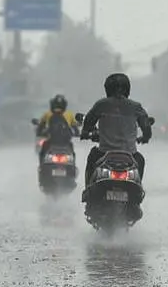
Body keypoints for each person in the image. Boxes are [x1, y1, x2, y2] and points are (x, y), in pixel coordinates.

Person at [80, 73, 152, 202]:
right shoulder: (136, 107)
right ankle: (136, 196)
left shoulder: (101, 105)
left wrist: (85, 133)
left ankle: (88, 192)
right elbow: (146, 126)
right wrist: (145, 137)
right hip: (130, 155)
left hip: (103, 153)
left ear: (107, 88)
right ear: (128, 88)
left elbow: (88, 122)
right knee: (140, 160)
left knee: (92, 158)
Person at [36, 94, 78, 163]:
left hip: (52, 141)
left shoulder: (47, 114)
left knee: (43, 151)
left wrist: (40, 132)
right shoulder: (69, 114)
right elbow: (75, 128)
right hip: (65, 142)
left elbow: (41, 126)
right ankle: (72, 164)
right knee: (72, 152)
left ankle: (42, 165)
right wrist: (77, 133)